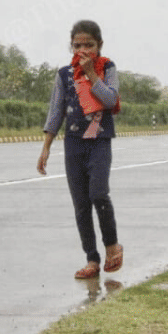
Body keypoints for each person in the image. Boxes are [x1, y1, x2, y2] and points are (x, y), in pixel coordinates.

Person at [37, 20, 123, 279]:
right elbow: (56, 110)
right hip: (73, 143)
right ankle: (92, 259)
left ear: (100, 45)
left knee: (98, 193)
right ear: (71, 46)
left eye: (89, 45)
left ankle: (112, 246)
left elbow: (110, 99)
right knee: (81, 204)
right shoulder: (64, 74)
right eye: (78, 45)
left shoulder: (107, 67)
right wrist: (46, 147)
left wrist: (92, 75)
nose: (83, 50)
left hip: (99, 140)